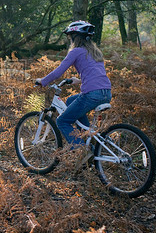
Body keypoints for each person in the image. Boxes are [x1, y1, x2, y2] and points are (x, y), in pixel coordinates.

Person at [34, 20, 111, 148]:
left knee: (62, 121)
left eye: (70, 37)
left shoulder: (76, 51)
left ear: (75, 37)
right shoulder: (95, 52)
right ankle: (86, 135)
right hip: (106, 93)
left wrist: (43, 81)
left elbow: (58, 72)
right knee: (70, 100)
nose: (70, 40)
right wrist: (79, 80)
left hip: (91, 94)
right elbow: (97, 74)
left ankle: (83, 150)